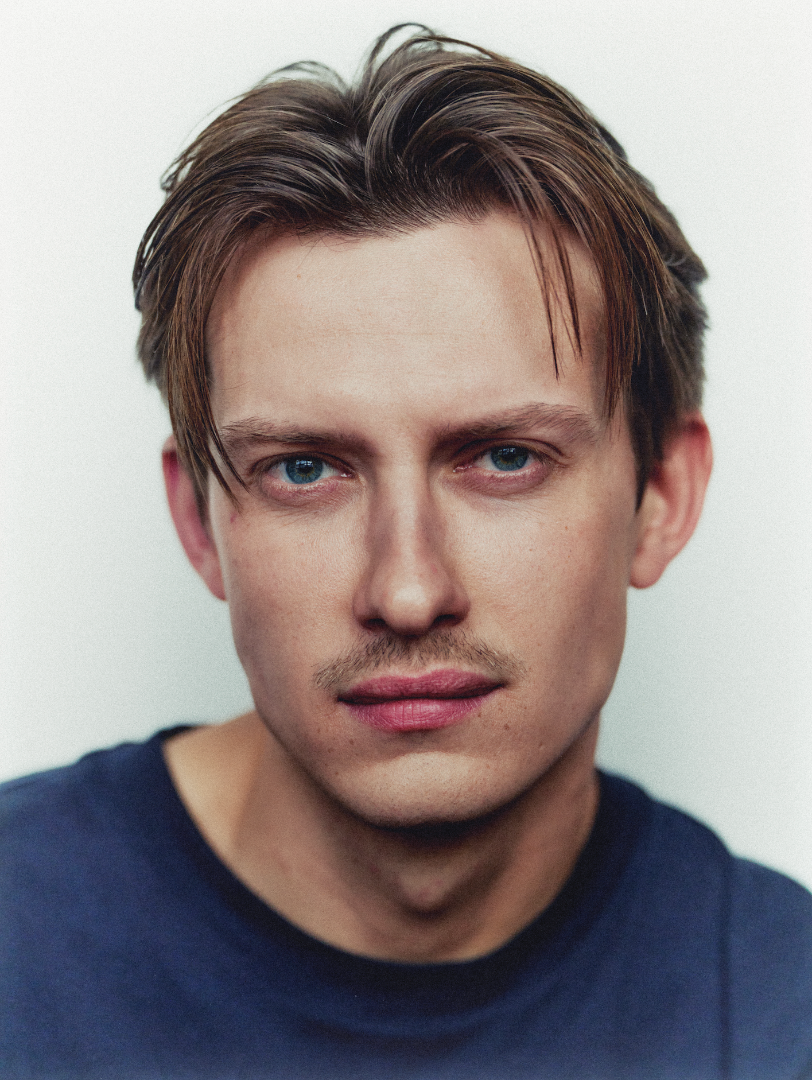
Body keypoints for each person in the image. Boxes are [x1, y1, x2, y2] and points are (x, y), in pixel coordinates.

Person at [2, 25, 810, 1080]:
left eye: (505, 458)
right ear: (199, 522)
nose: (408, 589)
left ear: (659, 495)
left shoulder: (780, 1012)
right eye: (304, 470)